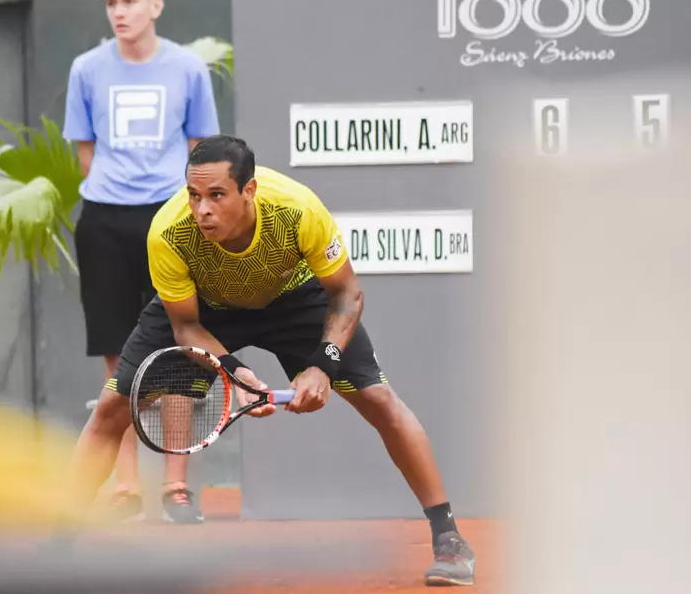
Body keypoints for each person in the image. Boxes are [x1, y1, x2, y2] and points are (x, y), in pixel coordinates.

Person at [68, 135, 478, 586]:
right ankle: (55, 539)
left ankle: (449, 536)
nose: (201, 209)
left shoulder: (296, 209)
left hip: (291, 298)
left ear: (249, 191)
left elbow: (346, 293)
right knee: (110, 408)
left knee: (379, 399)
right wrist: (237, 373)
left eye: (216, 196)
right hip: (203, 310)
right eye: (194, 195)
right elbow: (186, 327)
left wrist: (323, 363)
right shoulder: (169, 232)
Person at [62, 0, 221, 525]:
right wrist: (117, 192)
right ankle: (125, 485)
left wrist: (173, 201)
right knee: (119, 357)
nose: (120, 11)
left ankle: (175, 489)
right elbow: (85, 153)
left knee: (183, 347)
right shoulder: (86, 69)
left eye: (131, 0)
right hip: (105, 221)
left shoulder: (188, 69)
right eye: (112, 2)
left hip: (173, 220)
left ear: (156, 4)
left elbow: (202, 152)